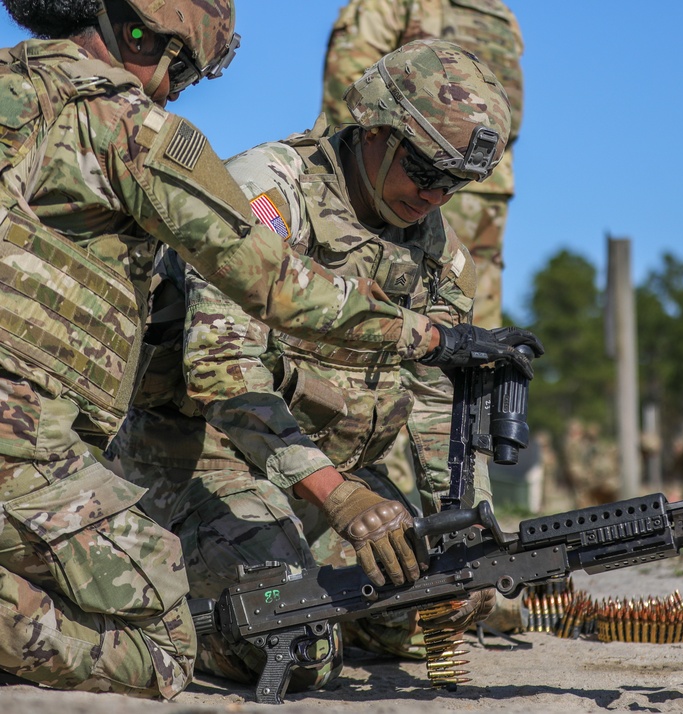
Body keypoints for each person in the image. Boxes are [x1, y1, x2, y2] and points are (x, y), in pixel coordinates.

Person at [0, 0, 531, 699]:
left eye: (455, 184)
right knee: (292, 644)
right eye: (425, 168)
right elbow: (225, 363)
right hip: (212, 470)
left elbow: (437, 404)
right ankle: (175, 609)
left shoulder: (433, 254)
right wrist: (338, 491)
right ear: (376, 129)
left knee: (425, 606)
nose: (434, 196)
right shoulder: (270, 189)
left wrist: (466, 533)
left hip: (323, 492)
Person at [322, 0, 524, 332]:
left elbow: (351, 93)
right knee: (471, 328)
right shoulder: (498, 11)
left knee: (372, 310)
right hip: (484, 187)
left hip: (405, 174)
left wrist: (340, 173)